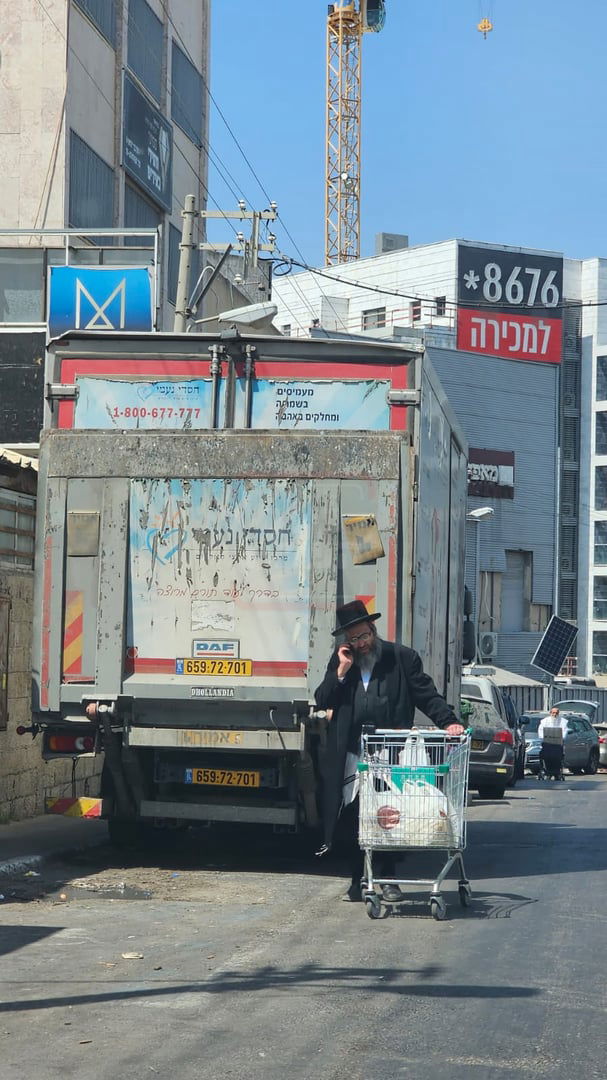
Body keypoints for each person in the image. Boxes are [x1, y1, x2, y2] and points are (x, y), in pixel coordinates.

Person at [314, 600, 463, 902]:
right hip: (352, 752)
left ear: (373, 629)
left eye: (364, 636)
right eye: (353, 639)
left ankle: (389, 879)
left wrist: (449, 722)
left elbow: (426, 694)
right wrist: (341, 671)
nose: (361, 644)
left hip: (389, 751)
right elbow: (323, 698)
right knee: (354, 816)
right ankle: (358, 878)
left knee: (389, 815)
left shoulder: (401, 658)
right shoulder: (343, 660)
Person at [537, 707, 567, 780]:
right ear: (550, 713)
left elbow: (565, 732)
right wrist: (543, 738)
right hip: (547, 744)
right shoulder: (544, 721)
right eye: (553, 713)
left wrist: (561, 738)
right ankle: (547, 771)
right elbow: (540, 731)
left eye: (556, 713)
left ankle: (557, 772)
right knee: (547, 757)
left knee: (557, 758)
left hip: (558, 745)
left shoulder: (563, 721)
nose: (555, 714)